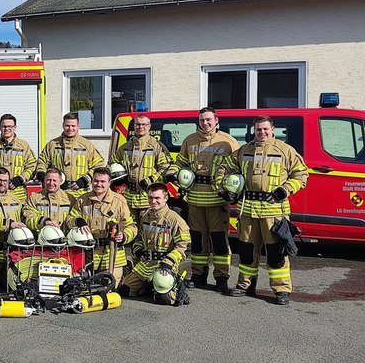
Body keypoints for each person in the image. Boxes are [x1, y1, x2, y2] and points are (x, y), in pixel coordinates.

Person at [217, 115, 309, 305]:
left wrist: (285, 190)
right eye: (259, 129)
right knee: (247, 251)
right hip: (247, 210)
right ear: (254, 130)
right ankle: (245, 285)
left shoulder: (285, 151)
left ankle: (281, 290)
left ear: (273, 130)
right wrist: (225, 189)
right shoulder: (244, 150)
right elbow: (224, 168)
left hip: (273, 212)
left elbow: (302, 174)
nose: (262, 132)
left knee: (276, 253)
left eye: (265, 129)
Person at [175, 107, 239, 292]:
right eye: (202, 120)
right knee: (197, 240)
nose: (205, 123)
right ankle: (198, 275)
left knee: (219, 241)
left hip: (217, 200)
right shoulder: (189, 140)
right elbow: (180, 162)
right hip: (195, 200)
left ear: (216, 120)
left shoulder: (228, 142)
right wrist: (175, 174)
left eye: (209, 119)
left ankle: (221, 278)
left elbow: (237, 167)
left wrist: (232, 190)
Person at [118, 183, 190, 305]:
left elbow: (184, 246)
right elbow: (139, 239)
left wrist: (168, 263)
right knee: (125, 290)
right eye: (150, 197)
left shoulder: (175, 220)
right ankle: (149, 285)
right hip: (146, 265)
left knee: (164, 299)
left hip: (164, 266)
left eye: (157, 198)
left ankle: (176, 288)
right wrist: (139, 251)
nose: (153, 201)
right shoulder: (146, 217)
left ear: (165, 198)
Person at [65, 167, 137, 286]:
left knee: (109, 288)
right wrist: (78, 221)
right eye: (96, 181)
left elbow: (131, 226)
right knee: (86, 289)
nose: (99, 184)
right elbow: (70, 218)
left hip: (113, 257)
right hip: (88, 256)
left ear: (109, 183)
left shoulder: (119, 201)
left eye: (103, 181)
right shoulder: (83, 200)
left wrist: (124, 236)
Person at [110, 113, 174, 227]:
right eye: (138, 124)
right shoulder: (125, 147)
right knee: (129, 228)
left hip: (148, 198)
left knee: (148, 229)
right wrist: (120, 177)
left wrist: (149, 181)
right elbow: (112, 164)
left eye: (144, 124)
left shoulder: (157, 146)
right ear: (134, 126)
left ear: (149, 126)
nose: (141, 127)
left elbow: (165, 169)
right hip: (129, 198)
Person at [36, 112, 104, 198]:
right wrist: (42, 174)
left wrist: (85, 180)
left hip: (80, 194)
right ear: (63, 126)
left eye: (73, 126)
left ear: (78, 126)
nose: (70, 128)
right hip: (57, 193)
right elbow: (42, 162)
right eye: (67, 126)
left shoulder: (87, 145)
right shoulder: (53, 144)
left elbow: (98, 166)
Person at [22, 167, 75, 233]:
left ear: (60, 181)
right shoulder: (34, 198)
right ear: (44, 180)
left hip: (64, 237)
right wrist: (43, 222)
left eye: (54, 180)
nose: (51, 183)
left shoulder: (69, 199)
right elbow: (28, 218)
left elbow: (73, 217)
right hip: (40, 237)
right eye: (48, 180)